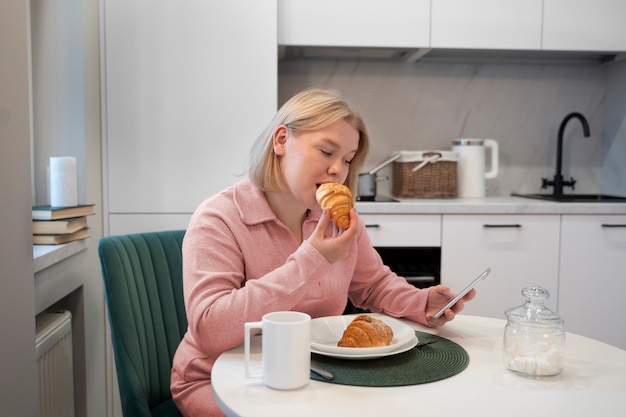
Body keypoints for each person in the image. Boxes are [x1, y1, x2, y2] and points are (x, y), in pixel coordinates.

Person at [170, 88, 476, 416]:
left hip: (310, 374)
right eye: (326, 152)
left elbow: (373, 285)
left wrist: (420, 302)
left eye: (346, 159)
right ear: (281, 141)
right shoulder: (219, 218)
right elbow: (210, 330)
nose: (338, 170)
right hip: (226, 379)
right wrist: (313, 260)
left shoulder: (335, 218)